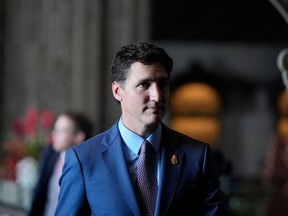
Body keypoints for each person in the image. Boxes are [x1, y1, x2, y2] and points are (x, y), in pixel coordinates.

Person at [55, 42, 228, 215]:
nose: (157, 95)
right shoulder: (84, 159)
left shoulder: (197, 155)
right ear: (117, 91)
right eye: (144, 85)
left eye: (162, 84)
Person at [29, 111, 93, 216]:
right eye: (55, 129)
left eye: (61, 131)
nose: (53, 134)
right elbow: (39, 194)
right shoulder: (49, 154)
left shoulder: (88, 165)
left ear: (79, 137)